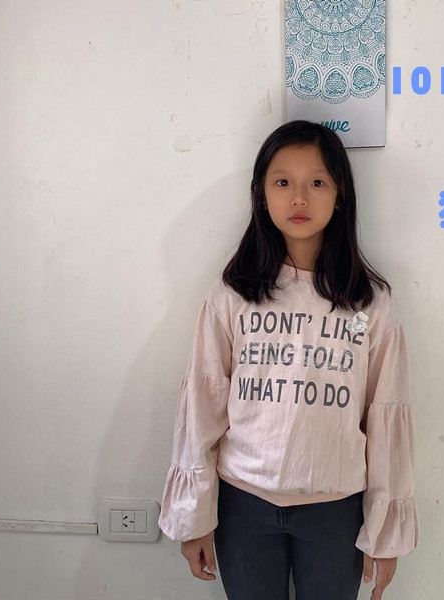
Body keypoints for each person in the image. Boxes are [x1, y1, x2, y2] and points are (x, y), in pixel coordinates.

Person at [158, 120, 418, 600]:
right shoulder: (233, 295)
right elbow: (202, 406)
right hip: (243, 504)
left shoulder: (369, 303)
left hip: (336, 509)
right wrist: (193, 517)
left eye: (317, 182)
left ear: (340, 195)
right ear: (261, 195)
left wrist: (385, 533)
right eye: (282, 182)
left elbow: (386, 417)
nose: (299, 198)